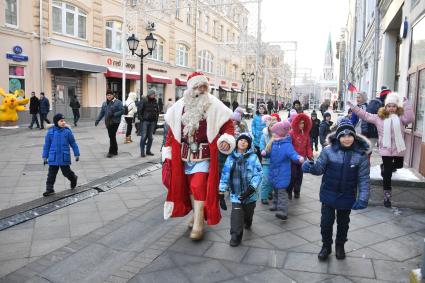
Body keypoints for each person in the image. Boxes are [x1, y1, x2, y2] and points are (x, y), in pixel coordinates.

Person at [161, 71, 236, 241]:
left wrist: (226, 140)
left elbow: (228, 127)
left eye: (204, 86)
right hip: (183, 156)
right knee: (189, 189)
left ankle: (199, 223)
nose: (201, 90)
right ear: (190, 88)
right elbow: (172, 132)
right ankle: (197, 215)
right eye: (198, 86)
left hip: (204, 156)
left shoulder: (214, 105)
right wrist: (167, 151)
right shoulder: (179, 106)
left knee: (199, 186)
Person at [302, 119, 370, 261]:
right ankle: (326, 246)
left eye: (350, 135)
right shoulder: (328, 151)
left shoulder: (360, 155)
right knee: (326, 223)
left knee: (343, 223)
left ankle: (340, 245)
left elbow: (364, 179)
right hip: (328, 193)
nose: (347, 138)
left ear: (354, 136)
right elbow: (319, 169)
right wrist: (310, 167)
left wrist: (363, 197)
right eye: (343, 135)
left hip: (347, 195)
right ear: (338, 136)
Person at [348, 93, 414, 207]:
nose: (391, 108)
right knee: (388, 173)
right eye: (389, 106)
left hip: (399, 148)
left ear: (397, 107)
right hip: (386, 148)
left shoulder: (401, 117)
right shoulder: (379, 118)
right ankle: (387, 196)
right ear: (385, 107)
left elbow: (410, 118)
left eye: (394, 106)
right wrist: (354, 107)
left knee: (399, 165)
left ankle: (384, 168)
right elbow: (365, 115)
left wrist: (406, 104)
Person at [219, 133, 262, 247]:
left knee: (248, 213)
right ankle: (235, 235)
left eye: (246, 141)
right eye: (241, 140)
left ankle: (248, 221)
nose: (243, 142)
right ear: (237, 142)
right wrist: (221, 193)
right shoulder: (230, 158)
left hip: (250, 194)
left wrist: (251, 189)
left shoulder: (253, 157)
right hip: (235, 194)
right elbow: (225, 175)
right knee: (236, 213)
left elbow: (258, 174)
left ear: (248, 144)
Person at [265, 120, 304, 221]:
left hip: (283, 172)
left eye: (274, 133)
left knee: (282, 192)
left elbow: (292, 154)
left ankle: (283, 211)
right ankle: (275, 204)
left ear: (280, 133)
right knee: (275, 190)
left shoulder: (287, 145)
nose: (272, 134)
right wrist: (266, 153)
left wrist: (298, 158)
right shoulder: (274, 143)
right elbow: (271, 154)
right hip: (274, 171)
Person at [42, 113, 80, 197]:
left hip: (64, 157)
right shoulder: (50, 132)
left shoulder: (67, 132)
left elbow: (73, 143)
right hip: (53, 157)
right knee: (51, 175)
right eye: (61, 121)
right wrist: (45, 156)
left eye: (64, 121)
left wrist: (76, 154)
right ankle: (49, 189)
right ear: (56, 122)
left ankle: (73, 178)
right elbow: (46, 145)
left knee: (66, 173)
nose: (63, 122)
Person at [288, 113, 313, 199]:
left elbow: (308, 146)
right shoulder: (291, 133)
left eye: (303, 123)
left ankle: (297, 191)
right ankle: (289, 191)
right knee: (293, 175)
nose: (301, 125)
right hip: (293, 159)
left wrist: (310, 155)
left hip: (303, 159)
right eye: (299, 123)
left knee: (300, 176)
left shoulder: (306, 134)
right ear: (296, 123)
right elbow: (289, 146)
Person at [95, 90, 124, 158]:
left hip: (115, 122)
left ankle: (111, 152)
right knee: (112, 136)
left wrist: (115, 114)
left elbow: (122, 110)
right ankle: (115, 150)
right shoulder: (104, 103)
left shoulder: (118, 102)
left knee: (111, 135)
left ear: (113, 95)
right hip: (108, 122)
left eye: (110, 95)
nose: (109, 96)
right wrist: (97, 120)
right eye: (107, 95)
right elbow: (102, 113)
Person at [259, 115, 278, 204]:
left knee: (273, 179)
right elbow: (262, 147)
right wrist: (264, 151)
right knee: (266, 179)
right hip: (266, 161)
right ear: (268, 126)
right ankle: (263, 196)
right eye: (271, 125)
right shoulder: (264, 136)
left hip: (276, 162)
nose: (273, 127)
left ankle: (269, 192)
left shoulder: (279, 136)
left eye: (275, 126)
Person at [138, 89, 159, 157]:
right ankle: (142, 152)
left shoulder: (155, 101)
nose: (154, 95)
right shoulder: (144, 100)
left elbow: (157, 112)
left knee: (150, 138)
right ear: (150, 94)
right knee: (143, 137)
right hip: (145, 121)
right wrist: (142, 120)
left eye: (154, 94)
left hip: (152, 122)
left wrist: (156, 121)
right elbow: (139, 111)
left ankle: (148, 151)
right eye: (153, 94)